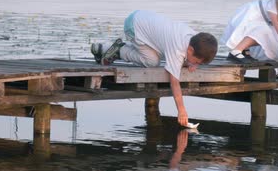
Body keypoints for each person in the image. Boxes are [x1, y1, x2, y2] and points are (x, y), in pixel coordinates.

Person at [90, 10, 218, 126]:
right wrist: (181, 111)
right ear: (190, 50)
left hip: (142, 18)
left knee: (155, 53)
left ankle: (105, 48)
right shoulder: (178, 47)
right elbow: (174, 82)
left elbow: (186, 57)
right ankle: (119, 50)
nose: (196, 65)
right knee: (152, 61)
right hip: (133, 26)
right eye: (196, 61)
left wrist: (191, 62)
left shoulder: (193, 37)